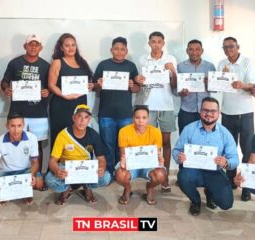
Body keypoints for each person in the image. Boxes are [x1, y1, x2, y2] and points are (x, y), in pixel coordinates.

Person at [173, 97, 239, 216]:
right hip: (193, 171)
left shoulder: (225, 133)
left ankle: (210, 192)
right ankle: (195, 201)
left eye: (213, 111)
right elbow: (176, 150)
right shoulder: (189, 129)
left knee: (226, 204)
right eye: (205, 110)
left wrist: (226, 162)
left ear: (218, 113)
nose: (209, 114)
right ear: (200, 111)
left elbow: (234, 159)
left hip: (215, 172)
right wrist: (179, 157)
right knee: (183, 177)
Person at [1, 34, 50, 180]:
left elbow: (51, 87)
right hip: (18, 113)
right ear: (25, 46)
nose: (33, 47)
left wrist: (47, 91)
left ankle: (38, 175)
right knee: (15, 143)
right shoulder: (14, 63)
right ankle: (16, 175)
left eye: (36, 44)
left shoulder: (46, 65)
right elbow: (4, 81)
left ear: (41, 47)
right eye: (30, 44)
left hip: (39, 113)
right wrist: (6, 89)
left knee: (38, 146)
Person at [135, 31, 177, 193]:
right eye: (153, 41)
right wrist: (139, 79)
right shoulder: (142, 60)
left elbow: (175, 85)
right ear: (149, 43)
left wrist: (173, 71)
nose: (156, 44)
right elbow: (140, 83)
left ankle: (165, 176)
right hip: (148, 105)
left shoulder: (171, 59)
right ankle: (152, 175)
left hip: (166, 105)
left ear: (163, 43)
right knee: (150, 144)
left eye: (159, 41)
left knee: (166, 142)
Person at [45, 104, 111, 205]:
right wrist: (57, 170)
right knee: (49, 179)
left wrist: (101, 168)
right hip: (67, 167)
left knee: (106, 177)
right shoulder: (63, 134)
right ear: (73, 118)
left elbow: (101, 158)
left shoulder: (93, 134)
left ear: (89, 120)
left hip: (86, 167)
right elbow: (53, 160)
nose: (82, 120)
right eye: (79, 116)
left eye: (86, 117)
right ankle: (67, 188)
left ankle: (87, 187)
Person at [93, 37, 140, 176]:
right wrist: (98, 85)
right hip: (106, 113)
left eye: (122, 49)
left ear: (126, 51)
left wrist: (133, 85)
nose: (119, 52)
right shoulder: (103, 65)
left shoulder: (131, 66)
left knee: (124, 146)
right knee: (107, 145)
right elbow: (94, 87)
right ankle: (108, 172)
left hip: (125, 114)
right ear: (111, 50)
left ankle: (122, 171)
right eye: (116, 49)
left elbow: (137, 89)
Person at [217, 37, 255, 201]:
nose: (228, 50)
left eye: (231, 47)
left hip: (245, 112)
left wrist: (242, 85)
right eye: (225, 47)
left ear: (238, 47)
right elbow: (218, 85)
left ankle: (246, 186)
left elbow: (253, 86)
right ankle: (230, 180)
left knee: (247, 150)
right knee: (229, 149)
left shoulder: (247, 61)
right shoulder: (221, 63)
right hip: (227, 112)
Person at [0, 112, 43, 206]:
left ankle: (24, 192)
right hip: (6, 172)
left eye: (19, 126)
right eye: (12, 126)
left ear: (23, 125)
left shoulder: (32, 138)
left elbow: (35, 162)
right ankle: (5, 193)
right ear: (7, 126)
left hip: (26, 171)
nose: (16, 130)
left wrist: (32, 175)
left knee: (39, 183)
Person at [48, 33, 94, 147]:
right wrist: (65, 95)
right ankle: (56, 165)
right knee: (60, 138)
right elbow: (51, 85)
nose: (71, 48)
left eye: (73, 45)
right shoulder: (57, 62)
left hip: (80, 105)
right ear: (61, 48)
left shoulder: (82, 62)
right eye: (67, 45)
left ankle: (75, 164)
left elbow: (88, 82)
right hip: (61, 105)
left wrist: (90, 86)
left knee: (78, 137)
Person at [115, 105, 166, 205]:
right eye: (137, 118)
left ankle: (150, 188)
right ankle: (128, 189)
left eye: (144, 118)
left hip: (148, 165)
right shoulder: (124, 131)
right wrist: (123, 162)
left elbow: (157, 154)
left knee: (161, 174)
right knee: (120, 175)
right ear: (133, 118)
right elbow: (123, 154)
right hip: (130, 164)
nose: (140, 121)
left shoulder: (156, 132)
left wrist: (160, 162)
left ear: (148, 119)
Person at [177, 39, 215, 134]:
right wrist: (181, 93)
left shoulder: (210, 66)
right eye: (191, 49)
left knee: (206, 139)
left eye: (197, 49)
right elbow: (174, 89)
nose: (194, 52)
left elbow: (215, 89)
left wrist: (209, 84)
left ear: (202, 51)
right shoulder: (180, 67)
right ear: (187, 51)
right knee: (185, 139)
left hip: (206, 110)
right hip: (186, 110)